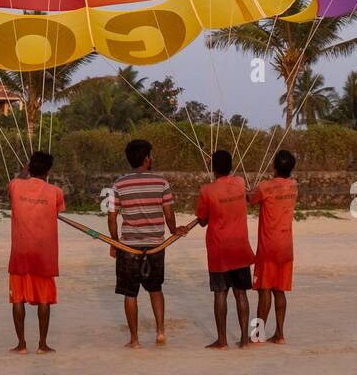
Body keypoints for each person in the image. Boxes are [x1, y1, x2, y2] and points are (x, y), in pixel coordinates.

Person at [108, 138, 184, 348]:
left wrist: (114, 242)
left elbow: (112, 217)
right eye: (150, 155)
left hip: (129, 246)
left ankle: (134, 340)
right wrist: (174, 230)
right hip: (156, 246)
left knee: (130, 294)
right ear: (146, 158)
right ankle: (160, 332)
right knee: (155, 289)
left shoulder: (119, 184)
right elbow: (169, 213)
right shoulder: (161, 183)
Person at [195, 149, 256, 349]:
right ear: (231, 166)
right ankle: (245, 339)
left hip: (219, 249)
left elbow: (202, 221)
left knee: (220, 293)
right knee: (241, 293)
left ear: (213, 168)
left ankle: (222, 340)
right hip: (239, 246)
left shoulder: (206, 191)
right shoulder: (239, 183)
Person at [8, 150, 64, 354]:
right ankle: (42, 344)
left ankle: (21, 344)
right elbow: (57, 210)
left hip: (20, 254)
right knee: (44, 300)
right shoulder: (55, 192)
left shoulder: (15, 185)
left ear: (29, 167)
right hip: (44, 255)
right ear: (49, 171)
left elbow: (15, 184)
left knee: (17, 299)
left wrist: (24, 172)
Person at [249, 149, 297, 344]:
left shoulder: (265, 187)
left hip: (268, 246)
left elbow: (251, 200)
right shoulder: (294, 186)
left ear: (274, 166)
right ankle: (279, 334)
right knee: (280, 290)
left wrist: (251, 191)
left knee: (264, 289)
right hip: (286, 246)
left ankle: (257, 334)